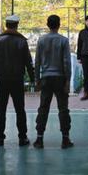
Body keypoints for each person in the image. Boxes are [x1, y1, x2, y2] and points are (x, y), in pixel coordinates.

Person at [0, 14, 34, 147]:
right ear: (17, 25)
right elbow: (28, 62)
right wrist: (32, 79)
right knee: (20, 109)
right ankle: (22, 137)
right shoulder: (21, 41)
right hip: (17, 79)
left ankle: (0, 138)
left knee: (0, 109)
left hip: (2, 79)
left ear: (6, 25)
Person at [33, 15, 73, 149]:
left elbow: (37, 61)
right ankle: (65, 139)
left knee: (43, 108)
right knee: (63, 109)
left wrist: (37, 80)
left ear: (47, 24)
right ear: (59, 24)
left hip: (46, 77)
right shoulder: (63, 40)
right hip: (60, 78)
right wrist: (67, 80)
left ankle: (39, 139)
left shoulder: (41, 40)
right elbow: (67, 62)